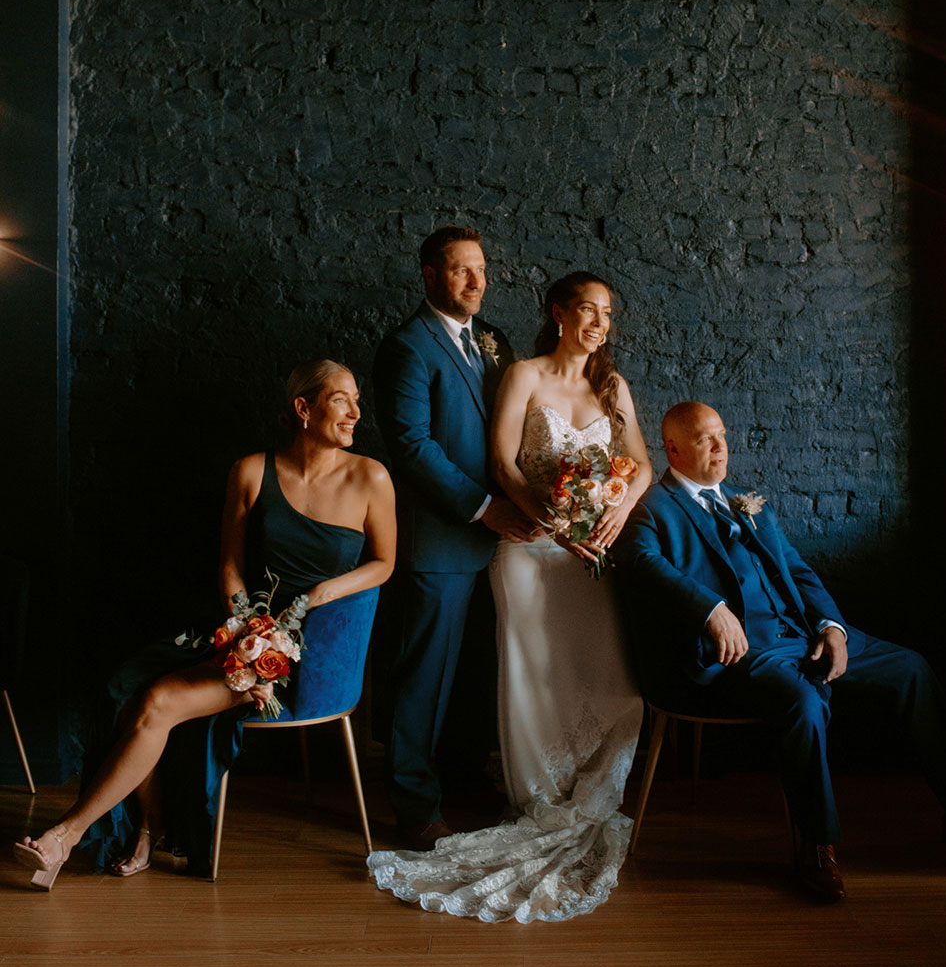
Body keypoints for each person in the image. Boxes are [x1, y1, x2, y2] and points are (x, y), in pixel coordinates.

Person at [13, 360, 395, 889]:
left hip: (311, 649)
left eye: (357, 400)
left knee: (158, 702)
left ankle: (64, 838)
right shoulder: (250, 470)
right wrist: (244, 630)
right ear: (303, 409)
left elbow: (384, 563)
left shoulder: (370, 476)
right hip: (241, 628)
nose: (356, 412)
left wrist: (320, 594)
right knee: (129, 685)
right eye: (341, 399)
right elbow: (230, 565)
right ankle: (146, 826)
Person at [613, 400, 946, 903]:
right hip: (746, 652)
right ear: (673, 448)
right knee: (805, 703)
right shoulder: (654, 507)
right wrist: (710, 609)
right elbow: (638, 561)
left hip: (801, 632)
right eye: (707, 439)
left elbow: (798, 571)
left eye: (722, 435)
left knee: (910, 668)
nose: (721, 446)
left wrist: (831, 626)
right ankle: (818, 846)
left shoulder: (743, 501)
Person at [369, 271, 652, 923]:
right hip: (530, 549)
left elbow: (637, 463)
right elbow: (504, 465)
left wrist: (610, 516)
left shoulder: (613, 387)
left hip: (594, 553)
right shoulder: (522, 372)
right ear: (558, 313)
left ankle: (593, 790)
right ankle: (536, 791)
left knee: (609, 676)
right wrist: (554, 522)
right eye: (588, 309)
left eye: (608, 313)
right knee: (535, 676)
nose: (600, 323)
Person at [373, 225, 533, 851]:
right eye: (462, 270)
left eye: (482, 270)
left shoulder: (493, 344)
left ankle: (465, 778)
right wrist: (484, 508)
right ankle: (415, 806)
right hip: (442, 541)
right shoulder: (407, 347)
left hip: (505, 542)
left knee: (474, 670)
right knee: (424, 677)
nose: (476, 282)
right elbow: (412, 446)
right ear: (430, 276)